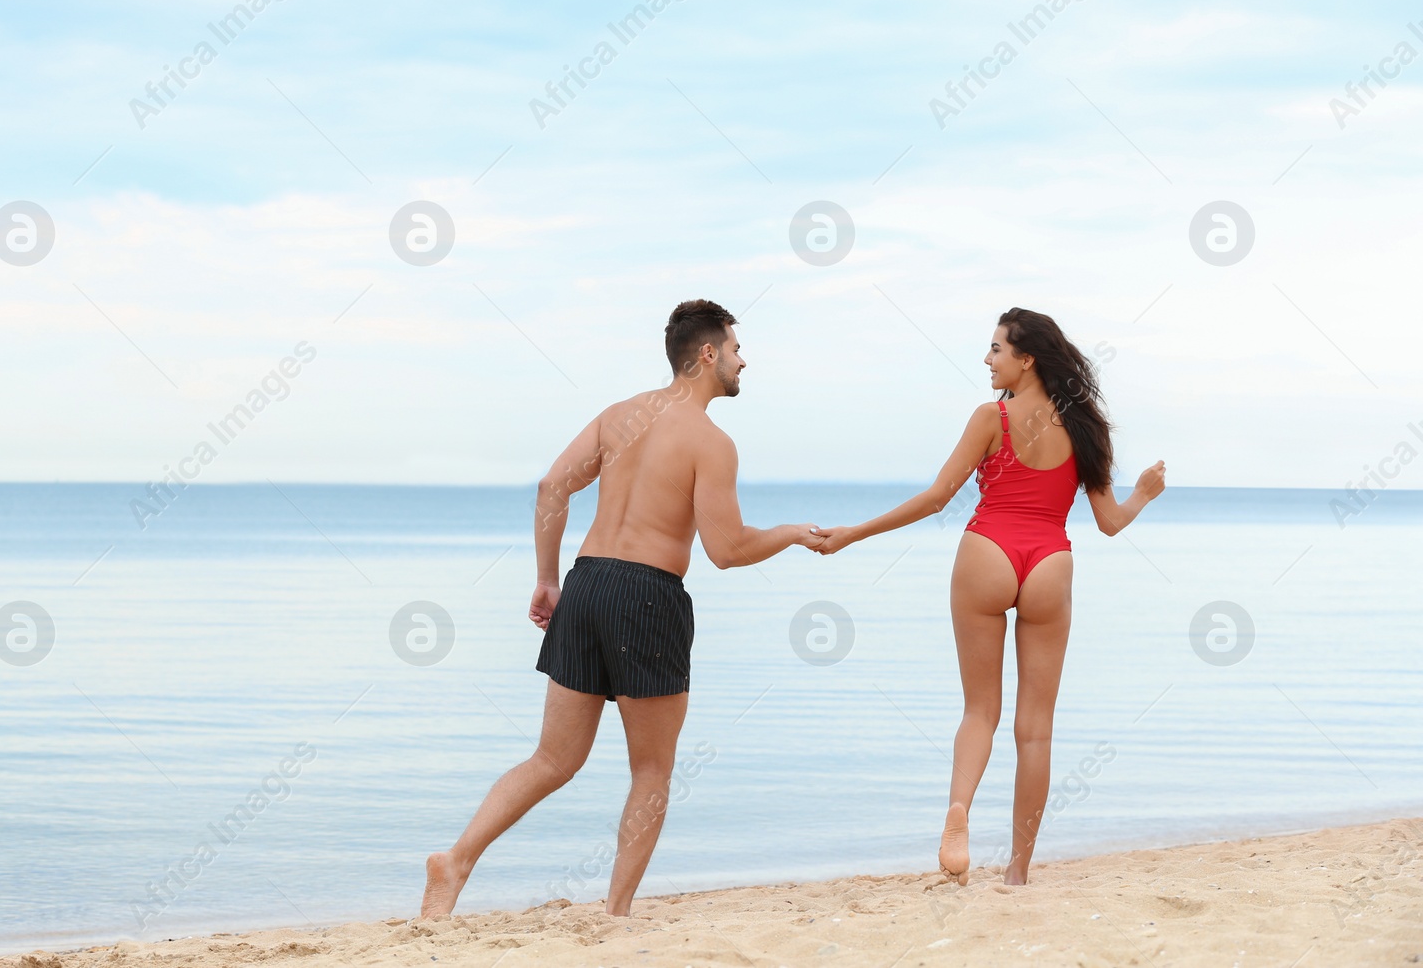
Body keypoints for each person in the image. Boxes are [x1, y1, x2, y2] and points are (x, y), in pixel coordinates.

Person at [420, 299, 824, 917]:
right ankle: (615, 913)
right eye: (738, 349)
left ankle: (456, 860)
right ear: (708, 354)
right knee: (653, 771)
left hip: (585, 585)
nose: (745, 360)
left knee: (553, 759)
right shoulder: (712, 442)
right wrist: (793, 533)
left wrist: (547, 580)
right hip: (647, 595)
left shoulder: (618, 416)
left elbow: (552, 485)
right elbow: (728, 549)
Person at [812, 307, 1165, 885]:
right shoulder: (1085, 428)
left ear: (1026, 360)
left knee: (981, 710)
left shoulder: (990, 419)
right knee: (1037, 728)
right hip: (1050, 562)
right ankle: (1019, 870)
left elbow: (934, 500)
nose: (987, 359)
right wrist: (1145, 494)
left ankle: (959, 812)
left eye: (996, 349)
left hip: (988, 553)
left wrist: (853, 534)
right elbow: (1108, 522)